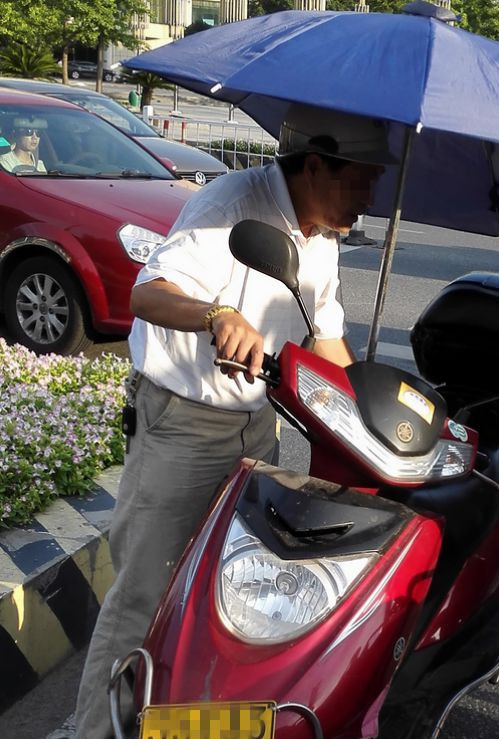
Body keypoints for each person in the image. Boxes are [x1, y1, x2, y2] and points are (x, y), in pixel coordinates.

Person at [71, 105, 393, 739]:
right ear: (318, 163)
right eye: (362, 178)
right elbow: (147, 292)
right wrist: (216, 314)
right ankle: (93, 731)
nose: (370, 197)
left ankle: (172, 724)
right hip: (183, 428)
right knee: (144, 596)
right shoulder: (228, 207)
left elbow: (325, 333)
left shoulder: (322, 235)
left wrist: (375, 414)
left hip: (256, 429)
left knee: (227, 605)